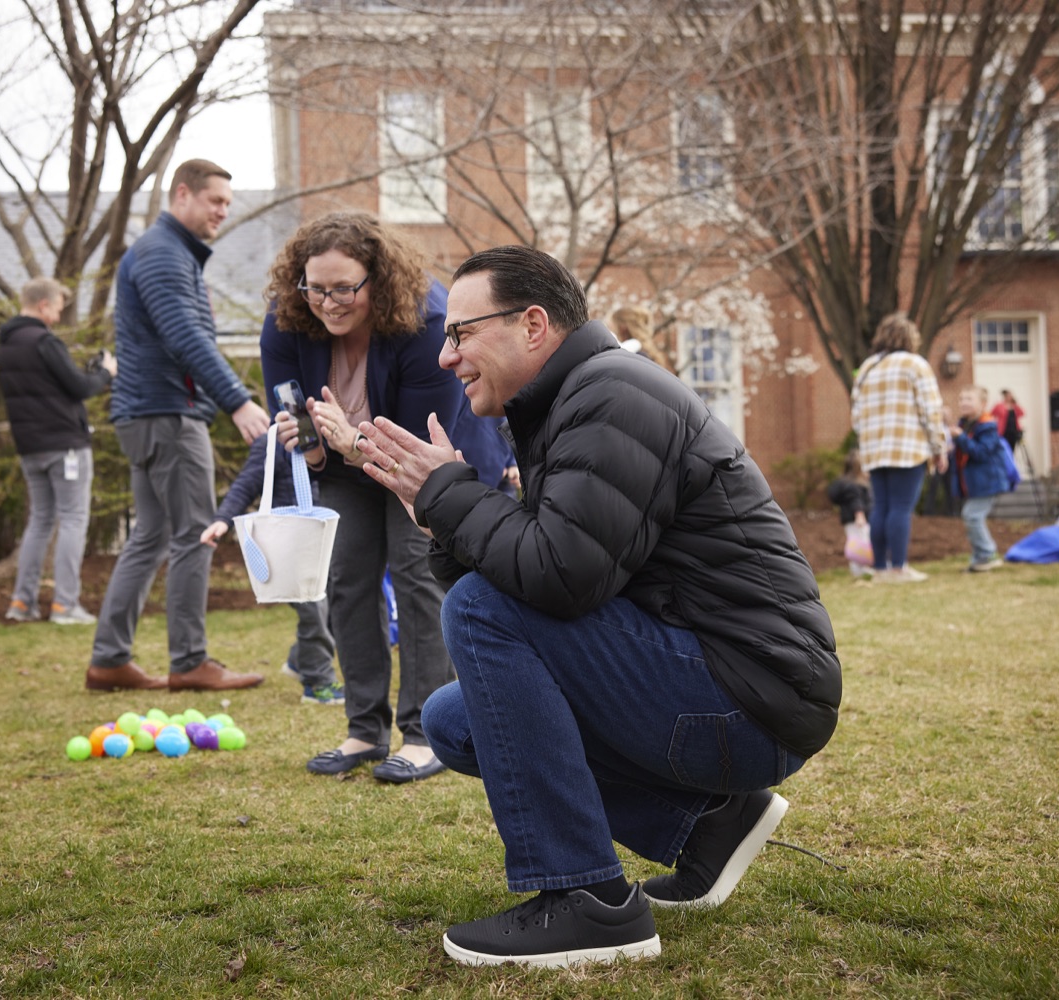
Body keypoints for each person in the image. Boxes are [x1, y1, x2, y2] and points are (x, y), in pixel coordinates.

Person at [356, 245, 840, 967]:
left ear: (532, 325)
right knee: (454, 721)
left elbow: (558, 578)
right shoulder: (573, 402)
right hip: (724, 683)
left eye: (460, 333)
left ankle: (589, 902)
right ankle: (709, 825)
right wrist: (443, 518)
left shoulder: (614, 397)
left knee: (481, 610)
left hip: (751, 698)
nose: (446, 356)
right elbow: (541, 581)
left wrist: (451, 497)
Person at [261, 211, 510, 784]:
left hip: (421, 457)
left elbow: (414, 447)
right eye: (316, 288)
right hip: (343, 462)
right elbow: (293, 411)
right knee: (348, 579)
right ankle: (364, 728)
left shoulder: (427, 323)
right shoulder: (286, 320)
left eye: (343, 288)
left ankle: (423, 735)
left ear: (378, 279)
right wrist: (315, 448)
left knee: (417, 574)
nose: (328, 303)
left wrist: (351, 441)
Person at [85, 159, 270, 694]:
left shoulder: (164, 252)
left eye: (228, 204)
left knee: (151, 535)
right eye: (215, 201)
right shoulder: (163, 253)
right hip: (168, 414)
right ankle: (189, 661)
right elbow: (185, 335)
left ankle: (109, 659)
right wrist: (237, 401)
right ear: (182, 194)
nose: (223, 212)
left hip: (146, 414)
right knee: (195, 533)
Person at [0, 277, 116, 625]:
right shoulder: (44, 341)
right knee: (74, 519)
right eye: (58, 309)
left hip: (29, 447)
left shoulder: (6, 343)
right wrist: (105, 373)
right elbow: (79, 387)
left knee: (40, 520)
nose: (59, 317)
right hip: (65, 446)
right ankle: (65, 605)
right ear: (43, 305)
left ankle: (22, 603)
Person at [199, 437, 343, 706]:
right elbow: (246, 484)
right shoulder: (273, 443)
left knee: (332, 609)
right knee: (314, 610)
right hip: (287, 552)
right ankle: (318, 683)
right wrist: (222, 519)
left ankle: (299, 660)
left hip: (318, 546)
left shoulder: (328, 439)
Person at [849, 312, 948, 583]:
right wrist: (939, 447)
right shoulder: (915, 364)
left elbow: (856, 416)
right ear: (910, 338)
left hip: (874, 450)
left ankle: (881, 568)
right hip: (908, 447)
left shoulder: (867, 368)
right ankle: (899, 568)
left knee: (881, 507)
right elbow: (931, 410)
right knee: (901, 508)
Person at [948, 386, 1009, 573]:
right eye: (961, 399)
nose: (964, 402)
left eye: (969, 399)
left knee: (972, 516)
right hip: (973, 483)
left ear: (982, 404)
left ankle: (988, 553)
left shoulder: (987, 426)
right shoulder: (964, 424)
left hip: (988, 482)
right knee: (972, 517)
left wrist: (961, 438)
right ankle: (979, 559)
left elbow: (981, 452)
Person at [826, 450, 872, 578]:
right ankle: (860, 569)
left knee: (856, 543)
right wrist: (859, 515)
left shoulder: (845, 482)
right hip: (858, 520)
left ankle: (859, 569)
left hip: (849, 520)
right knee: (861, 543)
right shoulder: (854, 486)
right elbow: (855, 500)